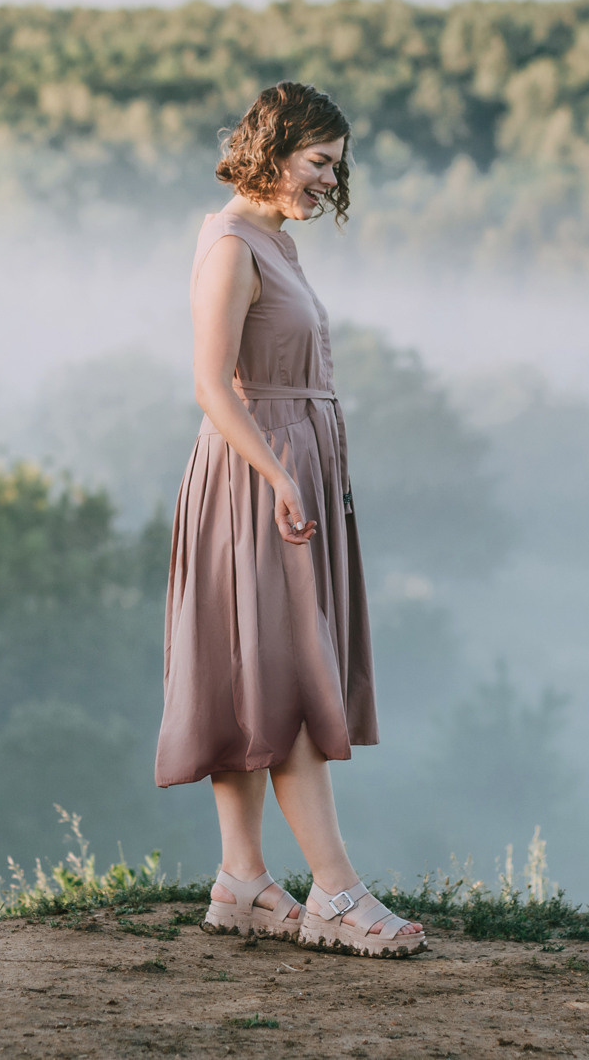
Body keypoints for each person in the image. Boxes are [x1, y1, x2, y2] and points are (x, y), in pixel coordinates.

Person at [154, 81, 425, 958]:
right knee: (288, 677)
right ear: (272, 151)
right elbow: (211, 385)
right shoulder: (232, 246)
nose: (330, 182)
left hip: (286, 470)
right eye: (319, 162)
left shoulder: (272, 239)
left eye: (337, 168)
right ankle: (336, 894)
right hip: (254, 478)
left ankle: (241, 880)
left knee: (253, 675)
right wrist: (278, 475)